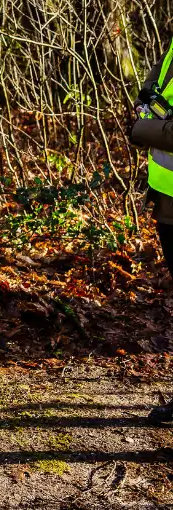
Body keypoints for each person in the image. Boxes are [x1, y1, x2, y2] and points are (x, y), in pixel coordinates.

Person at [128, 38, 173, 427]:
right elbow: (149, 91)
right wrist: (148, 116)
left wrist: (145, 126)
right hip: (167, 199)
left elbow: (146, 121)